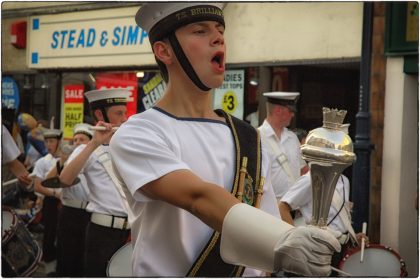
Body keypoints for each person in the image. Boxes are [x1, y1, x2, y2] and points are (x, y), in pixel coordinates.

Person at [109, 3, 340, 277]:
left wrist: (296, 247)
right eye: (200, 30)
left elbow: (264, 222)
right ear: (164, 51)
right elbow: (197, 197)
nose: (218, 38)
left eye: (220, 30)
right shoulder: (138, 133)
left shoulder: (248, 137)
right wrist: (284, 240)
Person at [59, 89, 131, 277]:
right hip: (102, 232)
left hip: (132, 231)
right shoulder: (86, 149)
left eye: (125, 112)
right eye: (119, 113)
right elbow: (65, 180)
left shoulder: (126, 146)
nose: (125, 118)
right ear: (100, 114)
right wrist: (94, 144)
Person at [279, 172, 368, 276]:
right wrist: (297, 242)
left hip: (340, 249)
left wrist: (353, 237)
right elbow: (283, 207)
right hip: (317, 248)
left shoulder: (345, 180)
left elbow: (338, 219)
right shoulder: (311, 179)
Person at [45, 123, 93, 277]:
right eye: (75, 140)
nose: (78, 143)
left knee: (84, 255)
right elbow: (47, 180)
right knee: (67, 253)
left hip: (89, 212)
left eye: (82, 139)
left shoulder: (96, 159)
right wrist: (61, 162)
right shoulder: (66, 160)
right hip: (70, 212)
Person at [258, 92, 309, 203]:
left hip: (293, 206)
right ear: (278, 110)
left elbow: (303, 170)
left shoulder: (292, 138)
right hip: (269, 207)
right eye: (290, 111)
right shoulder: (257, 137)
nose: (293, 115)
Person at [32, 126, 64, 271]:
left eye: (52, 141)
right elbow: (38, 187)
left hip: (68, 203)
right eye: (46, 142)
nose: (49, 145)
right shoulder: (42, 162)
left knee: (65, 235)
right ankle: (49, 268)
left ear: (59, 142)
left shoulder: (68, 160)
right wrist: (55, 195)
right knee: (49, 235)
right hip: (52, 202)